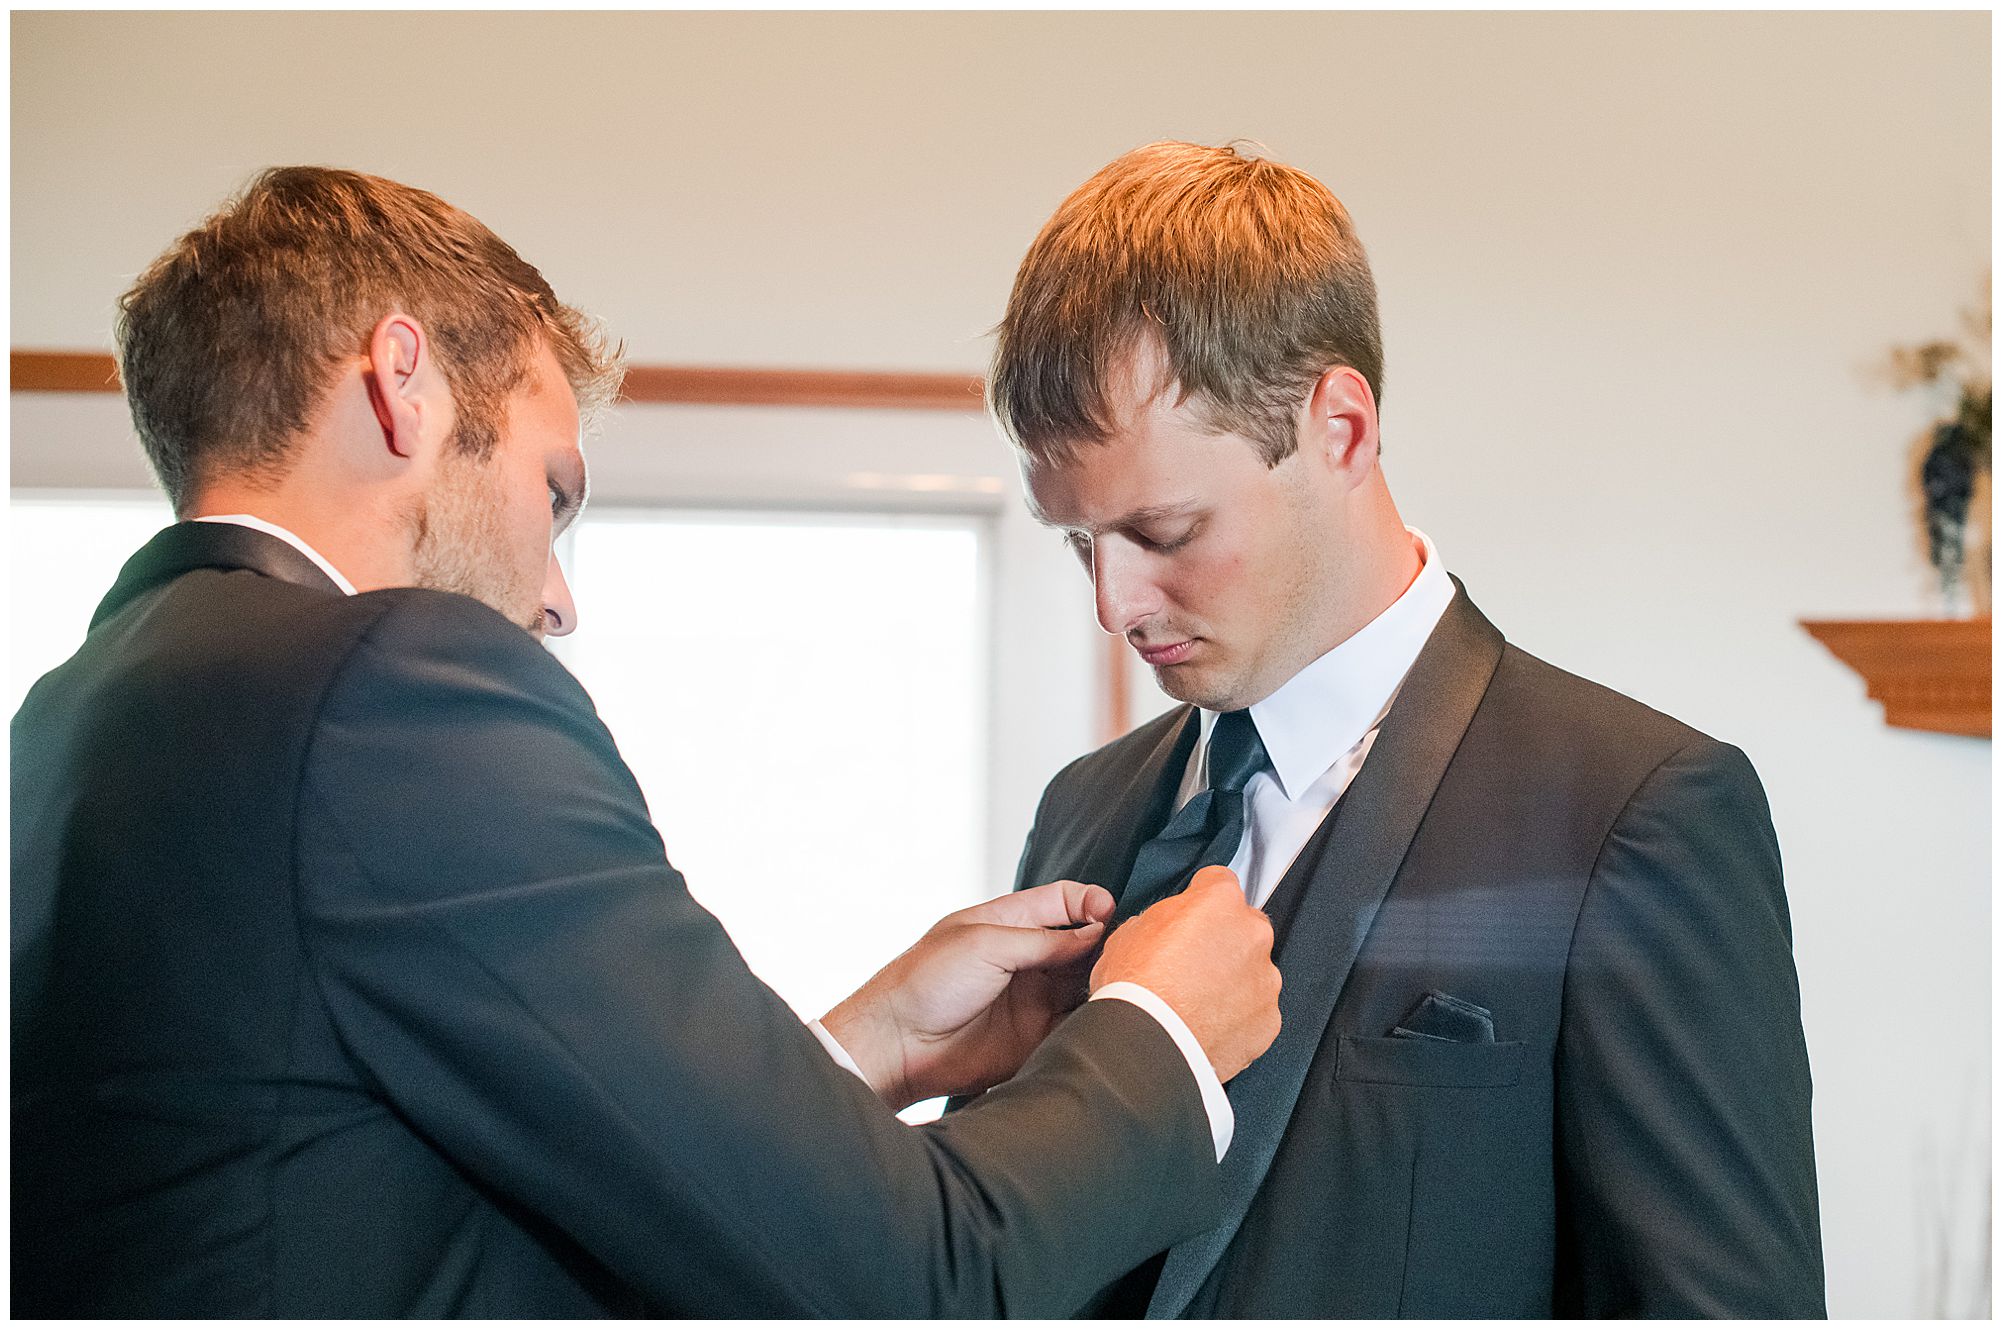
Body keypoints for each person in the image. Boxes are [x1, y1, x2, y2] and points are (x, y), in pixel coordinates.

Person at [9, 165, 1285, 1318]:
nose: (557, 598)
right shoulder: (386, 688)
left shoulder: (75, 718)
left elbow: (385, 1197)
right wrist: (1156, 1032)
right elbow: (917, 1281)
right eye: (550, 491)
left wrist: (874, 1043)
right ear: (403, 384)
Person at [982, 141, 1824, 1318]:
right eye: (1079, 542)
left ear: (1339, 428)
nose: (1113, 605)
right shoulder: (1083, 807)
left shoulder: (1636, 814)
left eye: (1163, 531)